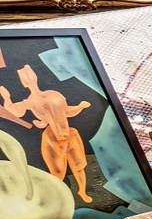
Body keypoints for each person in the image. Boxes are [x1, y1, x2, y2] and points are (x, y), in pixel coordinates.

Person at [0, 61, 93, 203]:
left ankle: (82, 191)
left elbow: (67, 111)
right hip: (52, 138)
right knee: (57, 172)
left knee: (78, 166)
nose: (30, 79)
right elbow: (15, 112)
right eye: (26, 77)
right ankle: (57, 198)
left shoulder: (53, 95)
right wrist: (7, 98)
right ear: (24, 83)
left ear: (35, 77)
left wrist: (80, 107)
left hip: (69, 134)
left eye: (30, 75)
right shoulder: (29, 101)